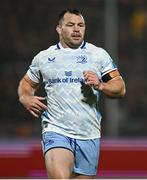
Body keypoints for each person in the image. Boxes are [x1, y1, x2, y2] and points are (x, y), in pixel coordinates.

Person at [18, 9, 126, 179]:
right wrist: (25, 97)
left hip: (89, 133)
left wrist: (101, 85)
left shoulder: (98, 55)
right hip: (56, 129)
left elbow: (120, 88)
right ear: (59, 29)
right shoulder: (44, 57)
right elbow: (26, 83)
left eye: (80, 25)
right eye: (70, 25)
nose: (77, 29)